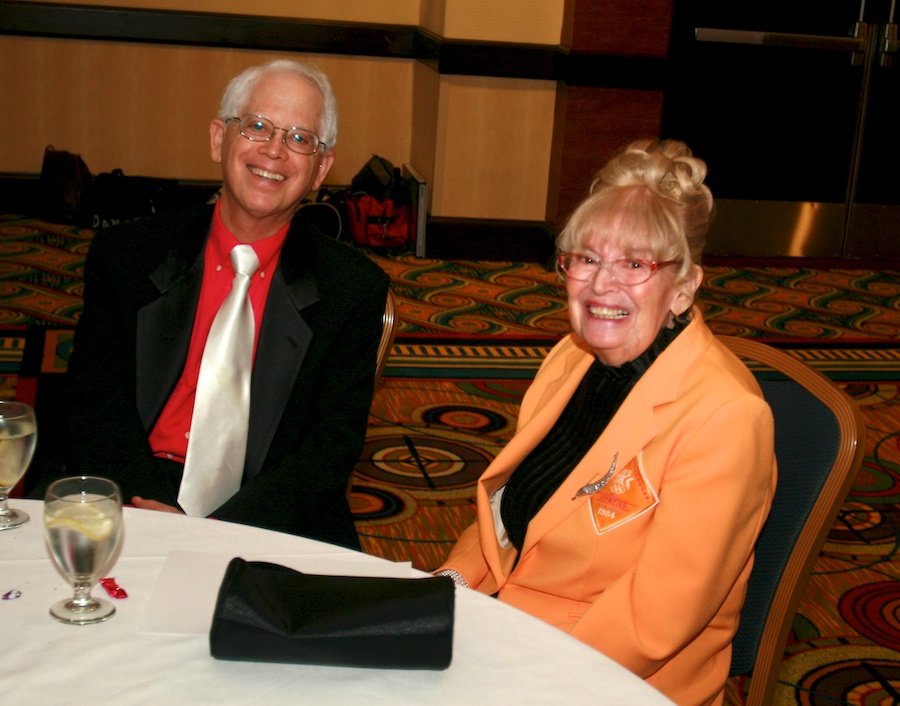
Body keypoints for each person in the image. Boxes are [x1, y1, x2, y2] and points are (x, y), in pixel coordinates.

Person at [435, 139, 777, 705]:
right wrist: (446, 592)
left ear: (685, 287)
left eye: (635, 264)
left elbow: (654, 623)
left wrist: (511, 674)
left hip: (611, 682)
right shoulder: (570, 359)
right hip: (507, 630)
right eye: (586, 258)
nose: (600, 285)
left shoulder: (727, 418)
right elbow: (506, 517)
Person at [45, 59, 389, 549]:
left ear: (320, 170)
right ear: (217, 139)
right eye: (256, 126)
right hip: (135, 489)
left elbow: (326, 452)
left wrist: (218, 536)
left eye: (299, 138)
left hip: (265, 509)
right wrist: (153, 513)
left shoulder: (350, 289)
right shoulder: (128, 256)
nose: (273, 150)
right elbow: (96, 403)